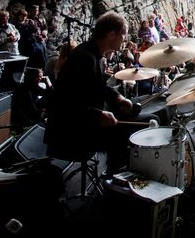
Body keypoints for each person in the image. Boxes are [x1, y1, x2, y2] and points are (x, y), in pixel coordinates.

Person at [44, 12, 135, 172]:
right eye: (123, 35)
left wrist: (118, 98)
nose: (124, 40)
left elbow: (97, 86)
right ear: (111, 34)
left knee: (130, 118)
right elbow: (65, 101)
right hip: (71, 131)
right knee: (128, 133)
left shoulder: (93, 54)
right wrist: (98, 115)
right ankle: (114, 176)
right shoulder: (85, 58)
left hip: (82, 122)